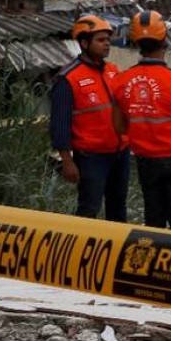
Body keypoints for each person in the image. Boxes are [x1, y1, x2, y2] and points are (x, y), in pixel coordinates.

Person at [112, 11, 171, 231]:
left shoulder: (121, 81)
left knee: (154, 221)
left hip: (148, 161)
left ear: (135, 42)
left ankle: (153, 262)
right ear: (164, 40)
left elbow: (120, 127)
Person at [49, 14, 130, 221]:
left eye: (107, 40)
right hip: (92, 158)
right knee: (89, 208)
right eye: (100, 40)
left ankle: (116, 249)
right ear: (84, 43)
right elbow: (60, 124)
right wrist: (67, 161)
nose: (107, 44)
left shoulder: (113, 71)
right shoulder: (67, 78)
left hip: (120, 154)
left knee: (118, 206)